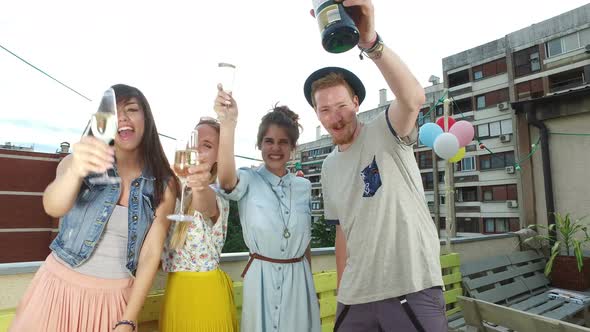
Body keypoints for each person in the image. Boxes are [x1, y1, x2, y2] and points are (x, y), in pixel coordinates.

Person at [303, 1, 446, 331]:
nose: (335, 116)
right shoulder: (327, 167)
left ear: (356, 103)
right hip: (355, 299)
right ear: (317, 114)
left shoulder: (386, 131)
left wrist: (370, 43)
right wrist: (343, 293)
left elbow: (413, 98)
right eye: (325, 110)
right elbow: (342, 231)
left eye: (341, 105)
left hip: (411, 288)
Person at [9, 84, 177, 332]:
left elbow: (151, 253)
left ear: (147, 120)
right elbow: (53, 206)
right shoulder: (75, 163)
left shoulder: (165, 183)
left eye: (131, 109)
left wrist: (129, 318)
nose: (123, 117)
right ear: (102, 123)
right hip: (56, 291)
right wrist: (77, 168)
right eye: (114, 112)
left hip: (114, 302)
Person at [214, 85, 321, 332]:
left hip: (299, 280)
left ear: (293, 148)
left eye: (284, 142)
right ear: (259, 145)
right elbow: (227, 181)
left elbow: (305, 244)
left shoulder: (304, 186)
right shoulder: (248, 179)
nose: (276, 148)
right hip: (260, 278)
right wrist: (228, 124)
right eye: (269, 141)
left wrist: (310, 285)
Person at [160, 117, 237, 331]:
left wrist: (200, 186)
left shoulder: (216, 195)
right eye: (194, 142)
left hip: (205, 297)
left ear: (218, 157)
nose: (197, 149)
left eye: (207, 145)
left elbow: (206, 205)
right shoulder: (175, 193)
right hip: (176, 292)